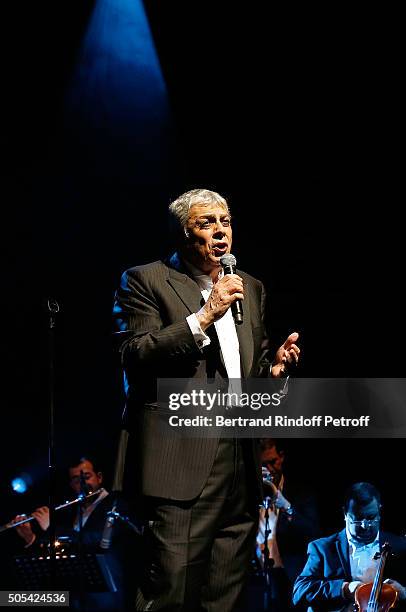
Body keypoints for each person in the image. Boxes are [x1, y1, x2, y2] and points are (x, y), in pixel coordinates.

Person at [113, 188, 300, 611]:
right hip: (180, 460)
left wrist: (275, 373)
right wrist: (203, 317)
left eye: (226, 222)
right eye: (206, 223)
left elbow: (251, 374)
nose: (220, 232)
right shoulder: (146, 280)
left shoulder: (249, 287)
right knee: (171, 590)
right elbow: (134, 354)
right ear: (183, 233)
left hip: (240, 459)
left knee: (224, 594)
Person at [13, 456, 137, 611]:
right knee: (12, 599)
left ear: (99, 477)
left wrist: (52, 528)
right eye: (77, 480)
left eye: (87, 477)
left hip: (105, 599)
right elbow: (65, 548)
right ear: (71, 484)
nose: (83, 484)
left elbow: (98, 541)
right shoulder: (73, 510)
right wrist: (31, 538)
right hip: (77, 598)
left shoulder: (116, 503)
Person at [293, 482, 406, 610]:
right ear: (345, 514)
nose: (365, 525)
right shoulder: (322, 548)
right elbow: (300, 590)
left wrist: (405, 593)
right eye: (358, 519)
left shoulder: (401, 546)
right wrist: (345, 589)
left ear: (379, 511)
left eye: (371, 517)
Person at [252, 439, 319, 611]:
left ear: (281, 457)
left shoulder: (301, 492)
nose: (270, 469)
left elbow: (312, 532)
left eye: (272, 462)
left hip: (288, 576)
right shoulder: (248, 493)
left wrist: (286, 506)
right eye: (263, 464)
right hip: (256, 577)